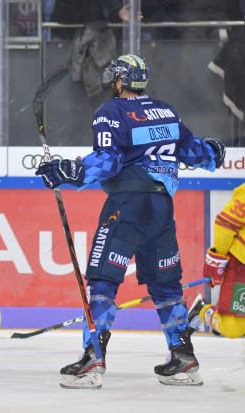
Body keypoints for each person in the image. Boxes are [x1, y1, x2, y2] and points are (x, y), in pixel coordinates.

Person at [35, 54, 226, 389]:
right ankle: (183, 358)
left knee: (103, 280)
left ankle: (93, 358)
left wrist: (70, 170)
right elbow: (196, 151)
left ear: (120, 81)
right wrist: (215, 151)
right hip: (162, 210)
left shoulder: (111, 112)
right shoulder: (165, 110)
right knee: (166, 285)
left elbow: (107, 161)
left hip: (127, 206)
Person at [187, 183, 245, 338]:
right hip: (241, 265)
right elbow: (226, 224)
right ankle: (203, 310)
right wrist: (217, 259)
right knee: (232, 328)